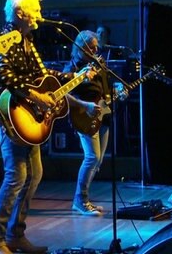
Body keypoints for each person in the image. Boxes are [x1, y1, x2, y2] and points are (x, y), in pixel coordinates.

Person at [0, 0, 95, 253]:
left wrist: (73, 78)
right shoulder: (4, 37)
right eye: (35, 9)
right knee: (16, 177)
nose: (39, 14)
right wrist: (36, 97)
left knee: (34, 174)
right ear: (20, 12)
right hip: (10, 119)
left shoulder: (28, 40)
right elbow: (4, 77)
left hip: (30, 120)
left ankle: (16, 234)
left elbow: (42, 72)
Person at [63, 30, 124, 215]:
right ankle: (80, 200)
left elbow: (105, 88)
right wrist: (85, 105)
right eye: (92, 47)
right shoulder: (71, 68)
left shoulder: (99, 63)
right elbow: (63, 95)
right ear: (81, 48)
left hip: (103, 116)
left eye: (97, 46)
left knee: (97, 162)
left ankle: (83, 198)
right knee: (92, 157)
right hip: (84, 117)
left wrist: (117, 89)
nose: (96, 49)